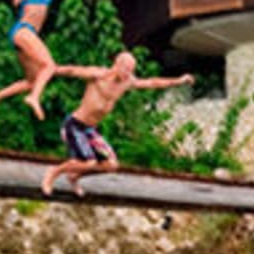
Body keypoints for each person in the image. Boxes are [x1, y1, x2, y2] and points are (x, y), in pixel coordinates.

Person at [40, 52, 195, 196]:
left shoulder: (127, 82)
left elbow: (152, 82)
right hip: (75, 125)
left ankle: (74, 176)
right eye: (126, 69)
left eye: (131, 70)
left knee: (111, 165)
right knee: (89, 162)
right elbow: (73, 71)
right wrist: (52, 69)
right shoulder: (99, 75)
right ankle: (53, 172)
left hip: (90, 130)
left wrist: (179, 80)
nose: (128, 73)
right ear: (117, 64)